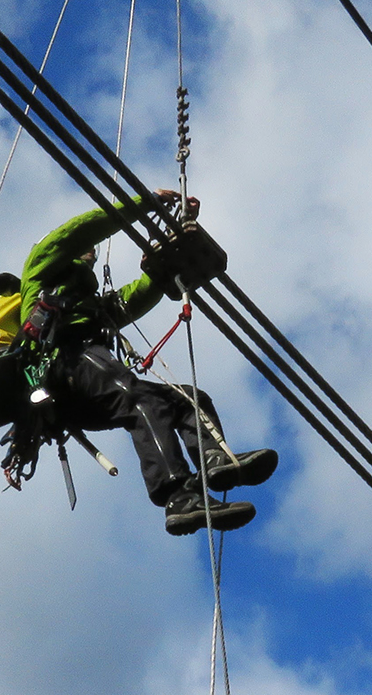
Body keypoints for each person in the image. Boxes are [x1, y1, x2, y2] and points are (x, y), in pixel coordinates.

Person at [19, 191, 277, 535]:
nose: (92, 252)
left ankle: (213, 459)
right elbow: (81, 230)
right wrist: (145, 203)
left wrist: (159, 271)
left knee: (187, 399)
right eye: (88, 250)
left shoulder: (85, 304)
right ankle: (178, 496)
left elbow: (131, 300)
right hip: (64, 365)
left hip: (85, 389)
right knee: (144, 401)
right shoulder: (41, 265)